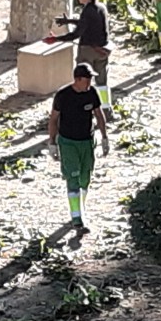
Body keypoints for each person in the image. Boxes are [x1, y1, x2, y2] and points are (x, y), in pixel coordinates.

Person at [48, 63, 110, 233]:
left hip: (87, 141)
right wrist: (52, 142)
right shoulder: (63, 95)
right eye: (87, 79)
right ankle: (77, 217)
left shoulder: (91, 93)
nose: (89, 82)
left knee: (85, 178)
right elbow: (53, 119)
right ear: (78, 79)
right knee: (73, 178)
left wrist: (104, 137)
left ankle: (81, 207)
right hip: (68, 142)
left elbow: (98, 114)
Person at [49, 0, 115, 119]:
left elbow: (76, 34)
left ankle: (82, 107)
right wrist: (69, 22)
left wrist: (56, 39)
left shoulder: (87, 11)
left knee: (83, 80)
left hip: (88, 50)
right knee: (102, 81)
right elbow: (88, 22)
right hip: (102, 50)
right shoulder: (101, 7)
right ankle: (107, 110)